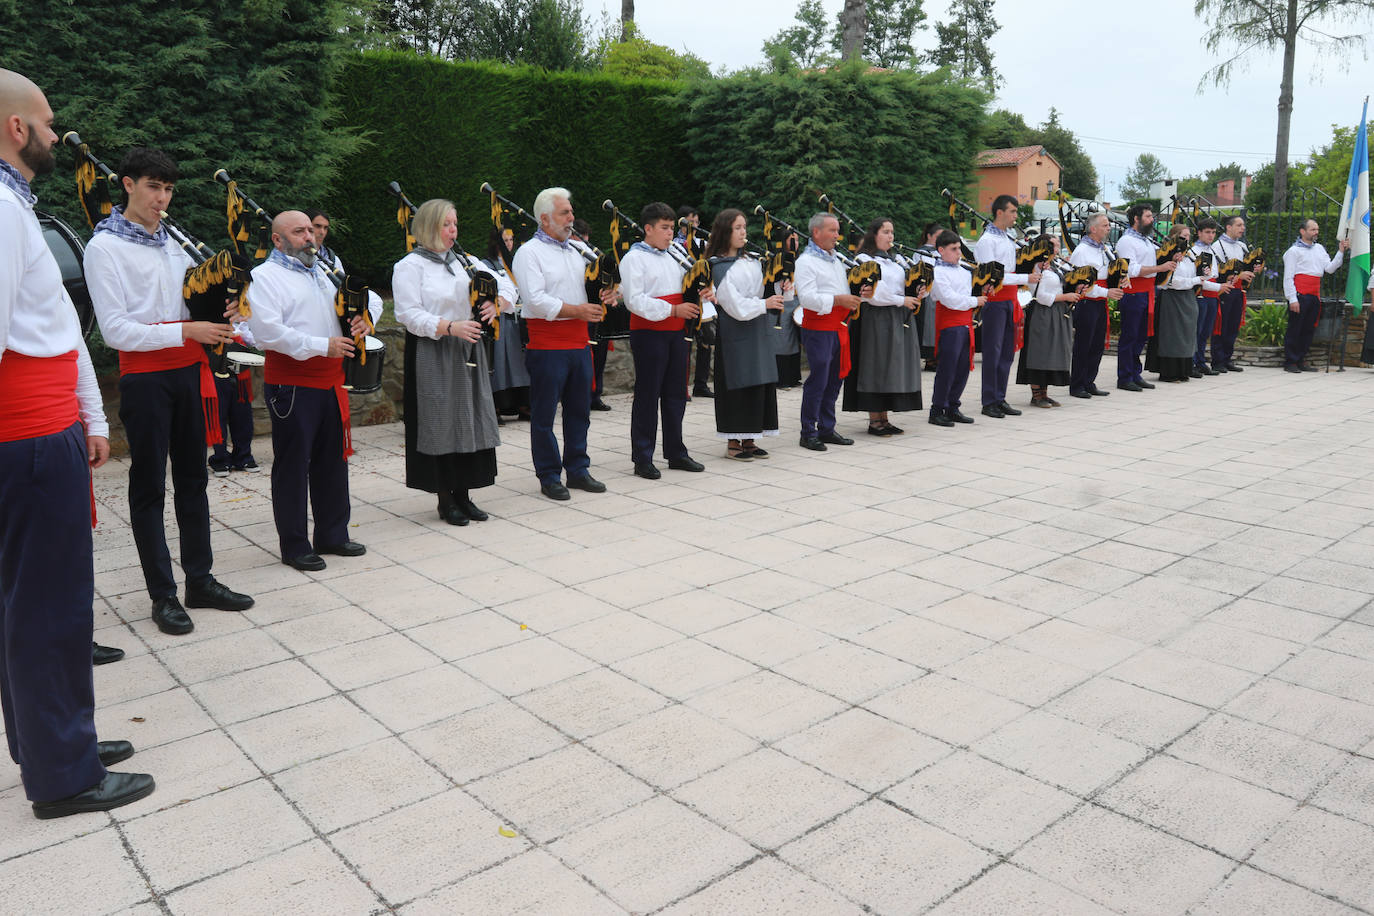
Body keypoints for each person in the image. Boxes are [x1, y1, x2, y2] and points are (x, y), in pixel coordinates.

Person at [0, 67, 153, 817]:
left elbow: (54, 330)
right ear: (16, 128)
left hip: (45, 425)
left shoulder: (13, 204)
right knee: (49, 609)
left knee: (27, 604)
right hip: (26, 438)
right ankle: (65, 773)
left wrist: (89, 415)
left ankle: (52, 740)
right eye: (48, 121)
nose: (58, 134)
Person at [84, 147, 254, 636]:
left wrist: (226, 311)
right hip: (146, 377)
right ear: (128, 185)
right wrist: (187, 332)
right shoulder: (104, 248)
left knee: (195, 480)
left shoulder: (176, 245)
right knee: (149, 485)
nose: (162, 198)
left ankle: (200, 580)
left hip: (188, 371)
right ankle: (163, 594)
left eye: (168, 189)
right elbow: (115, 331)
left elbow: (195, 301)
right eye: (153, 187)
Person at [246, 210, 378, 570]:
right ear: (277, 239)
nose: (309, 237)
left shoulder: (324, 270)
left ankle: (333, 534)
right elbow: (268, 333)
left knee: (332, 460)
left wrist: (365, 319)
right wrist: (323, 345)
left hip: (330, 376)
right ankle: (294, 545)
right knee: (292, 464)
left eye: (311, 230)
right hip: (292, 382)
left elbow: (371, 299)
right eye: (299, 231)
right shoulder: (264, 278)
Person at [393, 199, 501, 524]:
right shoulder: (410, 266)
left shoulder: (465, 261)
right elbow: (408, 314)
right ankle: (444, 498)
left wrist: (495, 305)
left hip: (468, 348)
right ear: (428, 227)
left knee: (470, 419)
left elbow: (505, 286)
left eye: (455, 224)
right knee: (441, 421)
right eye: (446, 224)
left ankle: (464, 494)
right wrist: (449, 327)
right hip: (434, 349)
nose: (453, 230)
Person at [510, 187, 612, 501]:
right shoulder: (528, 253)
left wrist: (606, 293)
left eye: (570, 212)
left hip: (579, 342)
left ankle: (578, 470)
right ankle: (549, 474)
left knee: (579, 411)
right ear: (545, 218)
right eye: (564, 213)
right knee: (543, 415)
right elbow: (535, 300)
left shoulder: (576, 251)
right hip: (547, 344)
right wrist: (578, 310)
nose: (571, 218)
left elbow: (592, 287)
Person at [620, 201, 708, 478]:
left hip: (677, 330)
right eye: (665, 228)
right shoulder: (634, 258)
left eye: (672, 228)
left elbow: (689, 282)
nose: (670, 234)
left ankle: (676, 452)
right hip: (649, 332)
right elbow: (634, 301)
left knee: (676, 394)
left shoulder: (676, 253)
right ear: (648, 229)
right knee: (648, 395)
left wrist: (701, 290)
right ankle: (642, 457)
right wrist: (672, 309)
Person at [705, 208, 783, 460]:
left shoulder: (753, 261)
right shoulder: (717, 266)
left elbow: (767, 292)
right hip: (735, 334)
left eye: (744, 227)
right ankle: (733, 441)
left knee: (758, 382)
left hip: (758, 331)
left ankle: (751, 437)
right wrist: (764, 304)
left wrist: (782, 285)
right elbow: (734, 305)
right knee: (737, 384)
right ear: (725, 231)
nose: (743, 232)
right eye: (737, 228)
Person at [796, 212, 867, 450]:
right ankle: (808, 431)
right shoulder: (805, 261)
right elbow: (806, 298)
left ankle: (827, 428)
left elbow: (845, 291)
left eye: (837, 230)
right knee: (819, 379)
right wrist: (839, 300)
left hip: (839, 325)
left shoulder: (836, 260)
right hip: (819, 326)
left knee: (835, 379)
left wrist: (858, 295)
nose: (837, 235)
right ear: (816, 232)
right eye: (832, 230)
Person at [846, 218, 923, 433]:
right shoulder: (863, 259)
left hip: (897, 316)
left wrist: (917, 291)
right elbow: (873, 293)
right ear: (874, 235)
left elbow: (905, 284)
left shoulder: (897, 260)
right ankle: (875, 420)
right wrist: (902, 300)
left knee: (891, 366)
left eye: (892, 232)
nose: (890, 236)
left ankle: (885, 417)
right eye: (886, 232)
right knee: (876, 365)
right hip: (876, 317)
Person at [973, 195, 1042, 419]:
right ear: (1000, 212)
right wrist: (1025, 277)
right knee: (993, 352)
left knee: (1006, 353)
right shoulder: (987, 241)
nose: (1015, 216)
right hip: (995, 299)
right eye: (1012, 211)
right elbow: (992, 275)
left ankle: (1000, 397)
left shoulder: (1008, 237)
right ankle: (989, 400)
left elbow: (1015, 267)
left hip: (1010, 299)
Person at [1115, 203, 1176, 391]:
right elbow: (1130, 269)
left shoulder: (1145, 240)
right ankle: (1125, 377)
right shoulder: (1127, 241)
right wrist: (1160, 268)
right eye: (1148, 216)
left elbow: (1151, 262)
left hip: (1147, 291)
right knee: (1130, 335)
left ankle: (1135, 373)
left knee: (1141, 335)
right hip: (1133, 292)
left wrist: (1171, 259)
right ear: (1137, 219)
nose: (1152, 220)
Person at [927, 229, 984, 427]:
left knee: (962, 368)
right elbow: (950, 299)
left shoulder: (964, 270)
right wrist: (975, 300)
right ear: (941, 250)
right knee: (947, 368)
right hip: (949, 323)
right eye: (954, 249)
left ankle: (953, 406)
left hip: (965, 323)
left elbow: (966, 294)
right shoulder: (937, 271)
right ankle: (937, 409)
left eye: (959, 248)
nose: (959, 252)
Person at [1067, 213, 1124, 398]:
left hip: (1100, 302)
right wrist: (1107, 292)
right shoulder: (1082, 251)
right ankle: (1077, 384)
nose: (1109, 228)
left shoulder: (1103, 248)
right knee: (1084, 344)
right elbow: (1082, 283)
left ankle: (1089, 381)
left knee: (1097, 344)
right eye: (1105, 225)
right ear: (1093, 229)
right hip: (1086, 302)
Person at [1016, 236, 1077, 406]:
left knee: (1051, 352)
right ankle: (1036, 394)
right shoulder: (1036, 267)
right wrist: (1065, 296)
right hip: (1043, 312)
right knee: (1039, 352)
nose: (1057, 249)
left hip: (1057, 311)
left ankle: (1044, 393)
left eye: (1058, 245)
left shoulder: (1055, 265)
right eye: (1054, 246)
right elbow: (1040, 296)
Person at [1281, 218, 1348, 372]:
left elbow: (1329, 268)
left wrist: (1340, 252)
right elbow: (1288, 277)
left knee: (1308, 329)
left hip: (1314, 294)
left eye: (1317, 229)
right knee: (1295, 328)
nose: (1316, 232)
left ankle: (1301, 359)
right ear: (1302, 231)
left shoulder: (1319, 249)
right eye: (1312, 229)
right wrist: (1292, 298)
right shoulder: (1293, 251)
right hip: (1300, 294)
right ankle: (1290, 361)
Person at [485, 226, 531, 420]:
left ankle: (523, 404)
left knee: (520, 363)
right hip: (500, 319)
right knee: (501, 363)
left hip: (518, 319)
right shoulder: (485, 264)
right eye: (505, 240)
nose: (509, 244)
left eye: (511, 240)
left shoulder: (515, 264)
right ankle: (497, 406)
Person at [1146, 223, 1201, 383]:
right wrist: (1194, 280)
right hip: (1171, 298)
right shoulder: (1166, 254)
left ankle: (1183, 370)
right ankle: (1168, 372)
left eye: (1188, 237)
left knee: (1186, 335)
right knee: (1171, 335)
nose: (1186, 240)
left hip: (1187, 298)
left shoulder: (1189, 256)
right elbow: (1169, 281)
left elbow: (1192, 274)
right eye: (1183, 237)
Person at [208, 319, 259, 475]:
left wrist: (241, 334)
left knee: (243, 418)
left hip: (239, 375)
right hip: (215, 372)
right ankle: (220, 458)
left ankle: (243, 456)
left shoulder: (243, 318)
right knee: (218, 417)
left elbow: (254, 341)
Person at [572, 219, 612, 412]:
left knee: (600, 355)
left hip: (598, 308)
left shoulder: (592, 253)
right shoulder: (573, 254)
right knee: (586, 356)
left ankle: (596, 395)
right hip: (582, 310)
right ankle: (584, 396)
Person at [1209, 215, 1257, 373]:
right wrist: (1239, 275)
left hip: (1238, 291)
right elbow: (1219, 272)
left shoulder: (1242, 246)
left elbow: (1246, 266)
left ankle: (1227, 358)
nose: (1242, 228)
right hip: (1225, 289)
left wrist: (1254, 269)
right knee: (1221, 326)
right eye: (1239, 225)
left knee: (1233, 326)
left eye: (1243, 225)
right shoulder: (1218, 246)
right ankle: (1217, 361)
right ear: (1228, 227)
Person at [677, 205, 714, 399]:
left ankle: (701, 384)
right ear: (682, 224)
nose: (695, 226)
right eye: (691, 222)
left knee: (706, 342)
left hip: (704, 298)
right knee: (686, 343)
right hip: (687, 297)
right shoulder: (675, 244)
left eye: (697, 222)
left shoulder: (703, 242)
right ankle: (681, 387)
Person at [1191, 218, 1229, 376]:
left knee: (1206, 331)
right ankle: (1193, 362)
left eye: (1213, 232)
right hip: (1202, 295)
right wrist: (1220, 286)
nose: (1211, 235)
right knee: (1197, 331)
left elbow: (1214, 273)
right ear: (1199, 233)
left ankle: (1201, 361)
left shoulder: (1212, 250)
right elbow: (1200, 279)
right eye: (1207, 232)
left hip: (1212, 295)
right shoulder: (1195, 251)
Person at [914, 221, 942, 368]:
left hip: (939, 292)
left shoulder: (940, 252)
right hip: (927, 292)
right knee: (928, 327)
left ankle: (937, 356)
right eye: (937, 236)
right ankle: (930, 358)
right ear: (929, 236)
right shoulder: (921, 252)